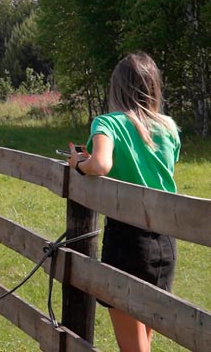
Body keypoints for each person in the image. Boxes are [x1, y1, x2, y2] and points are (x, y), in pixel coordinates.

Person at [67, 52, 180, 352]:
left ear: (117, 89)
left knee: (134, 349)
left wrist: (79, 164)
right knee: (145, 341)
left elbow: (101, 165)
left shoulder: (108, 123)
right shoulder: (168, 127)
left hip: (127, 240)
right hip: (165, 242)